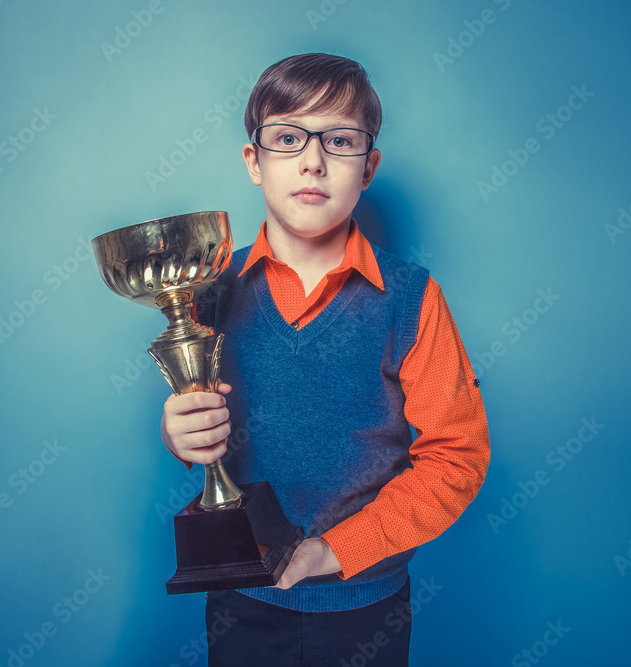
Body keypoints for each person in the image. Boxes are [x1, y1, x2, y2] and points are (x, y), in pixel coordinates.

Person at [160, 52, 490, 666]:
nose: (313, 160)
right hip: (239, 602)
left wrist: (336, 551)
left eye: (339, 140)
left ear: (369, 167)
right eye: (288, 137)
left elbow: (457, 454)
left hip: (365, 609)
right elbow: (203, 432)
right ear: (253, 162)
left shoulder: (412, 299)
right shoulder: (206, 296)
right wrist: (179, 432)